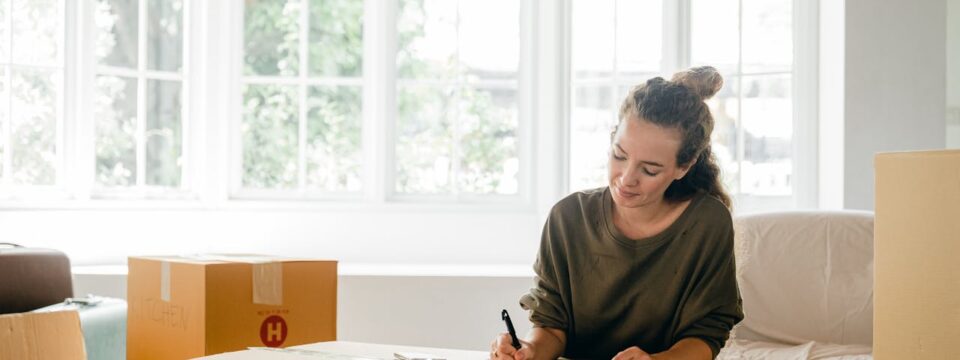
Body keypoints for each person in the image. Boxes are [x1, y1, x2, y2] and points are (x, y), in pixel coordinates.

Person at [490, 66, 744, 360]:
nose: (626, 178)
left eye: (649, 170)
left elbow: (706, 335)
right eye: (619, 156)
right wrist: (529, 351)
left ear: (683, 167)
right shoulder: (568, 218)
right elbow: (551, 325)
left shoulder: (707, 223)